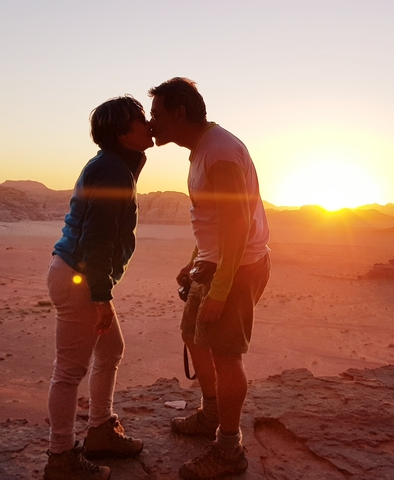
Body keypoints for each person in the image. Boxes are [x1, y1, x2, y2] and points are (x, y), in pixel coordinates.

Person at [148, 77, 271, 480]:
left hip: (237, 269)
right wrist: (195, 260)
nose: (151, 123)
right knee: (193, 335)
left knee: (226, 355)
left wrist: (220, 290)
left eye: (157, 114)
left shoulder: (219, 153)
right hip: (216, 264)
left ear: (179, 113)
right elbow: (212, 221)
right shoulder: (203, 149)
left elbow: (236, 225)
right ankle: (211, 413)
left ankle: (229, 448)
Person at [44, 95, 152, 480]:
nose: (149, 124)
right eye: (140, 119)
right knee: (69, 372)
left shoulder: (114, 165)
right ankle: (61, 457)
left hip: (78, 274)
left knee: (111, 349)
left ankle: (100, 430)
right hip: (80, 277)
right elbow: (98, 239)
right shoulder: (111, 171)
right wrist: (101, 297)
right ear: (122, 132)